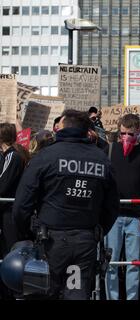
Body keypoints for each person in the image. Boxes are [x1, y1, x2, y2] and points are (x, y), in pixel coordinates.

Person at [13, 110, 120, 300]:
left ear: (63, 127)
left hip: (49, 243)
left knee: (43, 294)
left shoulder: (46, 156)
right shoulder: (101, 159)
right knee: (76, 293)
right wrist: (97, 230)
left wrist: (27, 234)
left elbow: (23, 203)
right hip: (84, 241)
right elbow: (112, 206)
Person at [104, 114, 140, 300]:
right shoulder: (110, 149)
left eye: (130, 134)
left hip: (136, 216)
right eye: (123, 133)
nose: (126, 137)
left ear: (139, 133)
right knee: (112, 262)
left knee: (134, 263)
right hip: (113, 216)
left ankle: (132, 298)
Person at [0, 123, 29, 258]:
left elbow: (2, 184)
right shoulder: (8, 155)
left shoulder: (12, 156)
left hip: (9, 210)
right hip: (7, 209)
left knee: (10, 247)